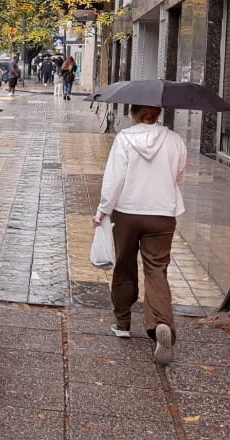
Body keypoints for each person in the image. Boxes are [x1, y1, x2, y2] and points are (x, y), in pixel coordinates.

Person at [94, 104, 186, 365]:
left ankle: (123, 323)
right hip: (162, 214)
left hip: (127, 211)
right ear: (158, 114)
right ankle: (161, 325)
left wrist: (102, 211)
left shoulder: (125, 139)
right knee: (156, 269)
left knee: (124, 265)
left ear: (134, 114)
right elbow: (178, 175)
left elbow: (114, 179)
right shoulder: (175, 140)